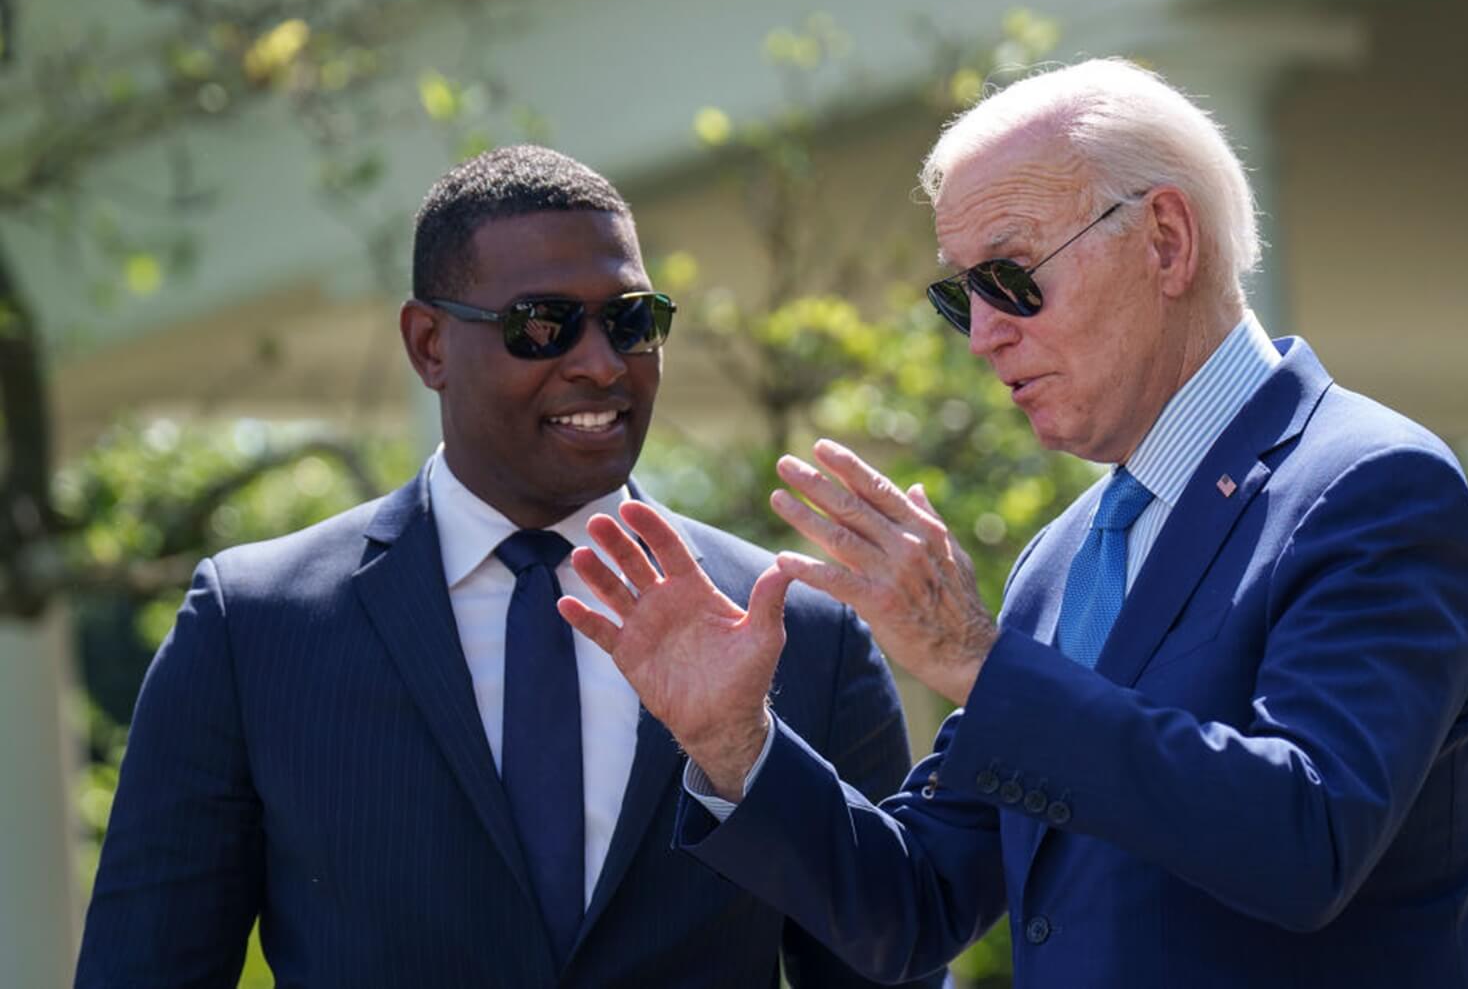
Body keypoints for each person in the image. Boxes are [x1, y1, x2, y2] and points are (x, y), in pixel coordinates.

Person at [560, 59, 1468, 988]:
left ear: (1166, 240)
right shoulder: (1064, 556)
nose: (981, 334)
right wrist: (736, 743)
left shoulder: (1370, 483)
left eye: (1010, 278)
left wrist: (975, 657)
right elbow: (917, 904)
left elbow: (1309, 841)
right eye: (958, 294)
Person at [77, 145, 940, 989]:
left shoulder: (802, 633)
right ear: (428, 345)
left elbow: (884, 961)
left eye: (633, 320)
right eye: (543, 325)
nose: (602, 363)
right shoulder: (252, 626)